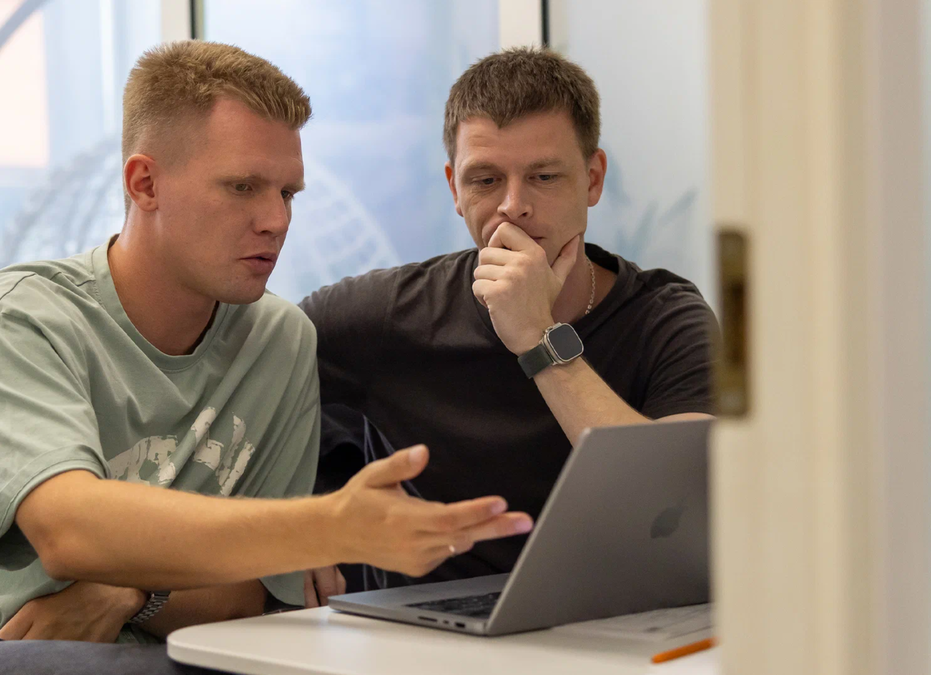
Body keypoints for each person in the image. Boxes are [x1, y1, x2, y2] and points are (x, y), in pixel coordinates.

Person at [0, 42, 531, 675]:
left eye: (286, 192)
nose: (276, 219)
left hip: (139, 655)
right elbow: (70, 530)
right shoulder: (18, 318)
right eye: (242, 187)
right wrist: (335, 524)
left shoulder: (280, 340)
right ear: (145, 183)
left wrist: (133, 590)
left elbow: (248, 597)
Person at [301, 47, 716, 591]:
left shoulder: (668, 319)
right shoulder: (386, 314)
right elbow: (233, 375)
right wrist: (299, 525)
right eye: (485, 180)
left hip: (620, 618)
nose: (513, 205)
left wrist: (540, 340)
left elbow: (676, 499)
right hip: (430, 626)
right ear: (454, 188)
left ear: (593, 179)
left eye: (543, 176)